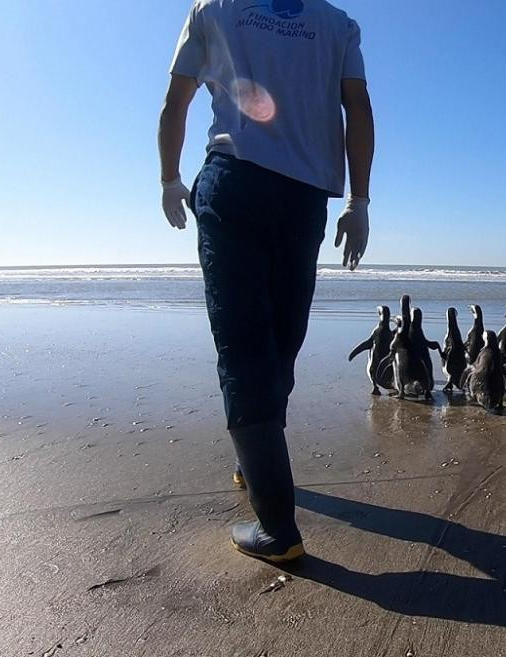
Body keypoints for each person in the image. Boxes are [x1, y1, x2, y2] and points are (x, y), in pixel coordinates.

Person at [156, 0, 374, 561]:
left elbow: (175, 100)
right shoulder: (335, 23)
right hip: (302, 200)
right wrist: (360, 200)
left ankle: (277, 528)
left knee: (247, 346)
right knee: (278, 340)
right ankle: (254, 458)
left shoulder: (215, 7)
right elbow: (358, 109)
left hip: (237, 186)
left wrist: (169, 178)